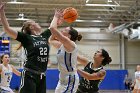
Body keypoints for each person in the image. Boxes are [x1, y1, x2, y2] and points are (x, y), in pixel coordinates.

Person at [0, 2, 51, 93]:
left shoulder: (43, 36)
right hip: (30, 74)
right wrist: (1, 12)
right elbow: (7, 29)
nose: (37, 23)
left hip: (42, 75)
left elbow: (52, 27)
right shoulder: (27, 38)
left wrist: (57, 17)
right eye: (35, 22)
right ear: (31, 27)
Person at [49, 9, 82, 93]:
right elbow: (51, 40)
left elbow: (52, 28)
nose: (63, 30)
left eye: (65, 29)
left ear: (69, 35)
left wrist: (56, 17)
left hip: (70, 78)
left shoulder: (71, 44)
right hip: (62, 77)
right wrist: (56, 24)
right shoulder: (62, 45)